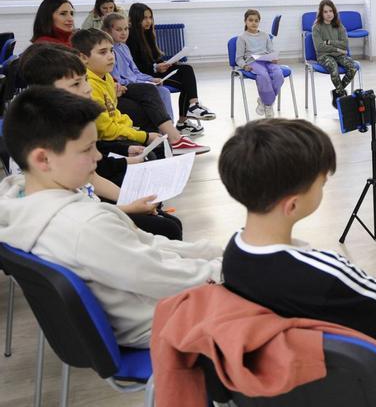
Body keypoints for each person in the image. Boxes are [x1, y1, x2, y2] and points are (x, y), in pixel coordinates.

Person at [218, 118, 376, 396]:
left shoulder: (233, 255)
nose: (323, 186)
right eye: (321, 183)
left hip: (307, 375)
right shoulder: (324, 271)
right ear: (292, 204)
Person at [0, 86, 223, 348]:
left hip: (136, 308)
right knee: (268, 295)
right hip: (154, 320)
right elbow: (157, 275)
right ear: (43, 159)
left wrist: (212, 253)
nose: (98, 156)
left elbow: (147, 248)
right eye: (88, 149)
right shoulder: (85, 226)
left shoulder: (18, 197)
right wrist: (224, 269)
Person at [16, 43, 183, 239]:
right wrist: (127, 208)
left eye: (85, 80)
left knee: (169, 223)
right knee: (167, 228)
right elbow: (76, 213)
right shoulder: (51, 135)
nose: (87, 89)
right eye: (76, 84)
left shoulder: (72, 119)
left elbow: (91, 177)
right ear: (45, 90)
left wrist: (131, 201)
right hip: (75, 224)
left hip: (86, 206)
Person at [71, 29, 210, 155]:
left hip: (115, 133)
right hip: (102, 143)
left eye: (111, 50)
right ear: (83, 58)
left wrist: (132, 129)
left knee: (158, 146)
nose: (111, 56)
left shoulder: (106, 77)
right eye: (103, 52)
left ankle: (172, 140)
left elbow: (115, 114)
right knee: (150, 152)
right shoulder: (89, 86)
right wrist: (143, 136)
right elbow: (105, 129)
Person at [126, 2, 215, 133]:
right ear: (135, 18)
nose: (148, 21)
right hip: (146, 76)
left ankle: (193, 106)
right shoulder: (131, 37)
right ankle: (184, 121)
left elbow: (154, 57)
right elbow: (136, 67)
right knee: (186, 80)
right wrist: (155, 67)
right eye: (145, 18)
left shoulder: (147, 33)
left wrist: (167, 63)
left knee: (186, 70)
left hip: (154, 70)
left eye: (150, 17)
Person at [103, 13, 177, 127]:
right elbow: (118, 79)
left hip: (136, 83)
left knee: (164, 91)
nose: (124, 33)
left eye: (126, 29)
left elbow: (135, 72)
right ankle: (163, 128)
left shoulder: (124, 47)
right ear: (107, 31)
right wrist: (144, 83)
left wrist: (151, 79)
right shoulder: (109, 51)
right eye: (119, 29)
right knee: (152, 90)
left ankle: (169, 126)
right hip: (125, 87)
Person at [233, 8, 285, 118]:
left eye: (256, 20)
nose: (253, 23)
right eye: (250, 20)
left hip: (267, 60)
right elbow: (238, 58)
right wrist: (244, 66)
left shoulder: (265, 35)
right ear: (245, 22)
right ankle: (268, 106)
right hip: (253, 62)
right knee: (264, 76)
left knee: (278, 75)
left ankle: (264, 101)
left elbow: (271, 50)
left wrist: (274, 58)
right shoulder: (242, 38)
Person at [311, 0, 359, 109]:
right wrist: (337, 49)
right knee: (334, 67)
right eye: (325, 12)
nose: (328, 14)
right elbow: (319, 47)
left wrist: (329, 42)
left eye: (330, 11)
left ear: (334, 12)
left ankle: (337, 92)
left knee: (353, 67)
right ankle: (343, 97)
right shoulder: (316, 27)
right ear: (321, 13)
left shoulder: (339, 26)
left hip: (340, 55)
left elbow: (345, 44)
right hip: (324, 56)